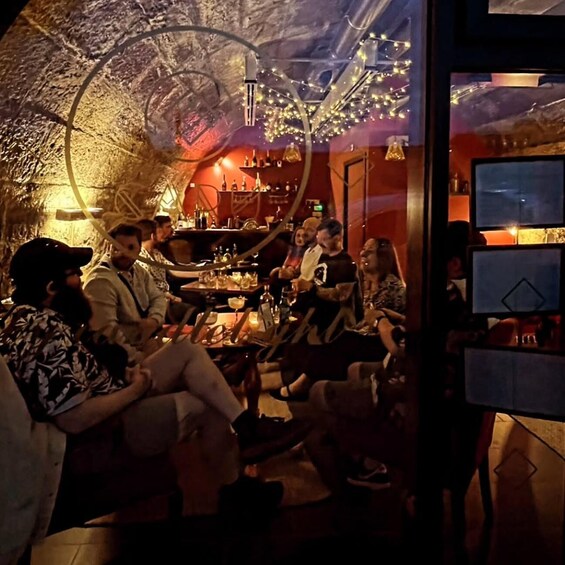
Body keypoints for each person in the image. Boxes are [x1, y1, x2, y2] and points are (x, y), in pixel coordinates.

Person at [0, 237, 312, 517]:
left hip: (116, 392)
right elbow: (73, 419)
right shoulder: (43, 331)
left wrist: (124, 373)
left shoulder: (30, 318)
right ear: (51, 288)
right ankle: (236, 489)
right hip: (106, 427)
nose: (80, 279)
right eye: (73, 273)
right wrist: (135, 390)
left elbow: (79, 372)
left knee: (186, 349)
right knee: (205, 403)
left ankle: (246, 427)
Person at [305, 220, 493, 496]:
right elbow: (422, 337)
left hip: (423, 417)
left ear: (453, 264)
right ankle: (367, 461)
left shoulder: (447, 304)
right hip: (429, 398)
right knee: (353, 366)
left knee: (318, 396)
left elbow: (402, 348)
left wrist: (380, 320)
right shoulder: (461, 300)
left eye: (428, 254)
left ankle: (361, 479)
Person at [270, 236, 405, 401]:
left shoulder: (393, 287)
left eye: (369, 252)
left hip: (379, 342)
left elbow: (391, 326)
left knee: (342, 340)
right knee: (321, 336)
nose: (362, 254)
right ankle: (298, 379)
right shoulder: (362, 280)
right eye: (363, 250)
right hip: (359, 333)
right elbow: (338, 295)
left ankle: (301, 386)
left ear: (383, 257)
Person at [84, 223, 168, 364]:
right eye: (118, 247)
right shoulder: (100, 281)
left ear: (139, 249)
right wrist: (140, 358)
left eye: (130, 248)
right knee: (189, 351)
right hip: (127, 361)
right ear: (109, 247)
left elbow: (158, 297)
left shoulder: (138, 271)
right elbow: (107, 335)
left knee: (190, 347)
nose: (124, 253)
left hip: (148, 343)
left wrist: (154, 320)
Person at [135, 219, 199, 324]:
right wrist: (172, 298)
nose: (163, 234)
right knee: (194, 312)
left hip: (167, 297)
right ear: (152, 236)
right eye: (159, 231)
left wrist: (200, 273)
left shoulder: (156, 253)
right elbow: (149, 290)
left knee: (198, 300)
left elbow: (174, 270)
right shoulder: (140, 259)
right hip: (157, 304)